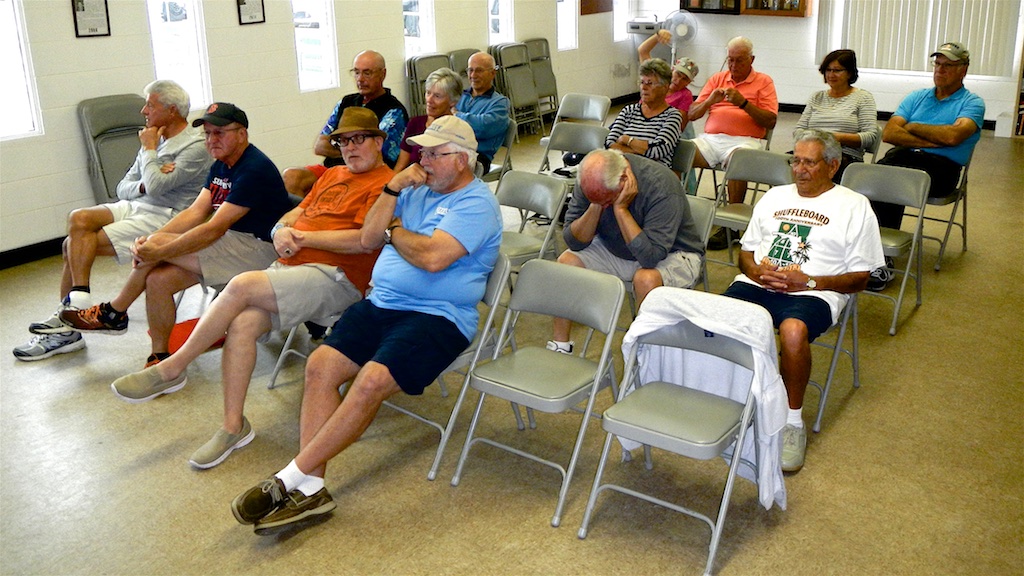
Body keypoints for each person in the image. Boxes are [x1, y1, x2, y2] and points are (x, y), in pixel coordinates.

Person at [228, 115, 502, 534]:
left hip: (439, 317)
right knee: (320, 366)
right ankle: (312, 487)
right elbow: (371, 237)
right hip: (381, 304)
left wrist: (396, 233)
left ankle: (287, 478)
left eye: (434, 153)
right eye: (422, 152)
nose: (423, 161)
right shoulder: (412, 189)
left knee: (371, 381)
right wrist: (391, 192)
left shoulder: (477, 204)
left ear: (461, 160)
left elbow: (432, 258)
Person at [107, 107, 394, 469]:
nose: (350, 147)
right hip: (291, 267)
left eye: (359, 139)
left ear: (379, 142)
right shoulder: (333, 174)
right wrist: (283, 230)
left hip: (337, 277)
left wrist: (303, 237)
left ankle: (173, 367)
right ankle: (233, 427)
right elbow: (293, 213)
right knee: (242, 325)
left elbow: (365, 241)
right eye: (343, 141)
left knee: (241, 284)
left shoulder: (385, 185)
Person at [59, 103, 293, 368]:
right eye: (207, 134)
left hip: (259, 250)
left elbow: (214, 228)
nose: (211, 140)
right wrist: (152, 241)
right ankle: (160, 356)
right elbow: (195, 212)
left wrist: (159, 250)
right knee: (158, 279)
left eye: (219, 133)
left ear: (242, 134)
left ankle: (115, 311)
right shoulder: (221, 165)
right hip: (231, 245)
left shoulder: (254, 168)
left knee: (157, 248)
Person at [721, 129, 884, 473]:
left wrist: (807, 281)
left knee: (793, 331)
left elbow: (861, 278)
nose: (799, 170)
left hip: (816, 291)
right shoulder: (774, 196)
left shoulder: (855, 207)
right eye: (795, 161)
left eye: (809, 163)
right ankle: (730, 400)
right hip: (758, 284)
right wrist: (756, 272)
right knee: (718, 319)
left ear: (833, 166)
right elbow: (745, 253)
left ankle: (792, 421)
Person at [13, 80, 212, 362]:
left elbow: (157, 187)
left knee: (72, 246)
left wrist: (150, 153)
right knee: (79, 219)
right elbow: (123, 187)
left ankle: (68, 327)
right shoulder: (154, 137)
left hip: (164, 215)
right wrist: (144, 182)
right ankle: (78, 301)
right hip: (136, 204)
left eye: (150, 105)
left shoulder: (193, 146)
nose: (144, 111)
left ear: (171, 110)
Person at [546, 148, 704, 355]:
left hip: (673, 253)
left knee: (645, 278)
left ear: (624, 180)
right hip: (618, 247)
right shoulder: (590, 181)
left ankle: (644, 357)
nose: (604, 204)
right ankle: (561, 346)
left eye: (607, 199)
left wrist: (621, 210)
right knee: (566, 262)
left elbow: (650, 258)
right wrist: (596, 205)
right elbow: (573, 242)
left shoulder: (661, 185)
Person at [869, 41, 984, 291]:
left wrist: (912, 127)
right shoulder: (917, 97)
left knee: (891, 182)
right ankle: (868, 250)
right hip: (902, 158)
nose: (940, 70)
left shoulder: (972, 103)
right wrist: (933, 139)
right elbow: (889, 133)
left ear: (963, 69)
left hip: (942, 168)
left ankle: (881, 259)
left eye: (948, 65)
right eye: (937, 64)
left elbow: (954, 137)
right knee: (870, 179)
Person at [689, 36, 778, 249]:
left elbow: (771, 121)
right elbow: (692, 114)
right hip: (711, 139)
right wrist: (709, 101)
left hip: (746, 141)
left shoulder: (764, 81)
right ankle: (677, 210)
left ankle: (730, 226)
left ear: (751, 60)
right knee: (678, 151)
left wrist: (744, 103)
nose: (733, 65)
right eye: (730, 59)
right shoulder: (717, 79)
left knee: (738, 159)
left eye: (739, 60)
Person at [282, 50, 408, 196]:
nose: (360, 79)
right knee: (291, 176)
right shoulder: (346, 102)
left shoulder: (394, 111)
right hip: (332, 170)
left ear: (383, 74)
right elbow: (320, 146)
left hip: (365, 174)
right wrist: (351, 152)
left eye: (367, 73)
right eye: (356, 72)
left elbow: (373, 155)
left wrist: (341, 147)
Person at [795, 49, 878, 183]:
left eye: (837, 70)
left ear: (849, 73)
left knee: (815, 169)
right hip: (810, 152)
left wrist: (833, 138)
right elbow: (798, 131)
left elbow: (870, 137)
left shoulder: (863, 98)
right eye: (828, 70)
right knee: (786, 165)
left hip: (844, 156)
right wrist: (817, 141)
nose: (831, 75)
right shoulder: (817, 97)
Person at [605, 58, 683, 168]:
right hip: (621, 169)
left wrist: (628, 140)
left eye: (650, 83)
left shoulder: (672, 116)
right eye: (642, 82)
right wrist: (641, 150)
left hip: (652, 172)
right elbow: (609, 144)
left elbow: (657, 151)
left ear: (665, 87)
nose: (644, 87)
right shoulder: (629, 111)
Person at [393, 67, 462, 172]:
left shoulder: (457, 129)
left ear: (453, 101)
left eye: (437, 96)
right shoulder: (415, 123)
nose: (429, 100)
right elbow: (400, 166)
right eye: (428, 93)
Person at [454, 52, 510, 173]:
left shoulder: (500, 103)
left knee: (444, 170)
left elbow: (483, 127)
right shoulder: (460, 96)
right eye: (470, 70)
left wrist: (456, 115)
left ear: (492, 73)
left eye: (479, 71)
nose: (473, 75)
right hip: (452, 150)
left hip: (478, 157)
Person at [637, 30, 700, 138]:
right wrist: (657, 36)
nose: (678, 81)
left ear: (689, 82)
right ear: (672, 70)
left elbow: (679, 126)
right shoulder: (658, 78)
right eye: (678, 74)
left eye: (684, 79)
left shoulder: (685, 95)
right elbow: (642, 51)